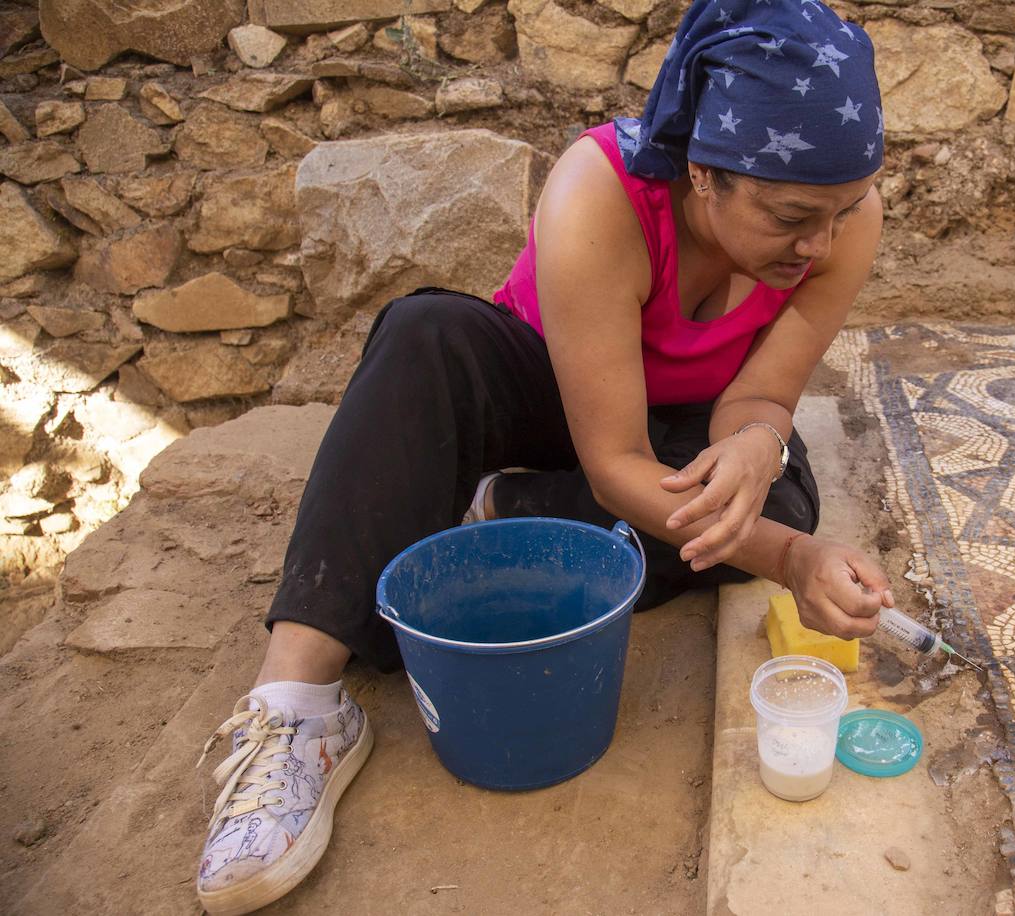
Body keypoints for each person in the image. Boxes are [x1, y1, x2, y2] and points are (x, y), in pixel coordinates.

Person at [194, 0, 894, 911]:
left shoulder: (842, 217)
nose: (822, 245)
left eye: (843, 212)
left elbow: (761, 395)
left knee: (783, 501)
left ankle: (500, 514)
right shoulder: (598, 194)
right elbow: (615, 461)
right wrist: (788, 563)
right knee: (425, 335)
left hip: (685, 419)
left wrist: (760, 445)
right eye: (793, 215)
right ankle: (297, 712)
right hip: (552, 401)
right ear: (702, 172)